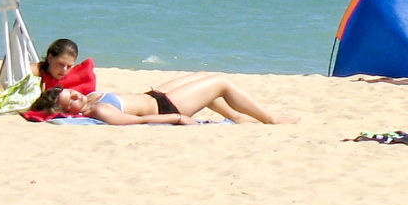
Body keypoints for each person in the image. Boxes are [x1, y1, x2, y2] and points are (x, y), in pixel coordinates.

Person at [30, 73, 282, 125]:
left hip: (155, 95)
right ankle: (271, 120)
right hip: (166, 107)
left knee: (203, 77)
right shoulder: (100, 112)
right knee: (221, 83)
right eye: (71, 99)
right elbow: (136, 122)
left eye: (71, 92)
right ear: (71, 111)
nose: (76, 94)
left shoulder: (90, 99)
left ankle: (238, 117)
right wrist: (177, 117)